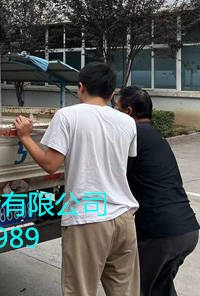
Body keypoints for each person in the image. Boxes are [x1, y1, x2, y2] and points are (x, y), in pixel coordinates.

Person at [14, 62, 139, 296]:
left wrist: (25, 136)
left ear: (81, 87)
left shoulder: (67, 116)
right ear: (111, 94)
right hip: (124, 218)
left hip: (88, 218)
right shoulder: (128, 122)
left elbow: (50, 164)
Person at [116, 86, 200, 296]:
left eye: (116, 107)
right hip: (187, 229)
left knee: (136, 289)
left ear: (128, 111)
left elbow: (115, 175)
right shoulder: (154, 135)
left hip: (161, 234)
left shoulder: (133, 136)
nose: (113, 112)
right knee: (160, 289)